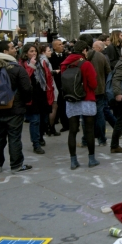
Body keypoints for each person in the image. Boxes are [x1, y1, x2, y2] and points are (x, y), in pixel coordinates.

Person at [0, 40, 33, 173]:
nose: (15, 49)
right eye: (12, 48)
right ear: (5, 52)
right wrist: (24, 102)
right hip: (15, 108)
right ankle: (16, 165)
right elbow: (27, 89)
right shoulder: (16, 68)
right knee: (14, 137)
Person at [60, 40, 99, 169]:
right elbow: (93, 84)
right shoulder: (86, 64)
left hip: (71, 99)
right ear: (84, 51)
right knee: (89, 130)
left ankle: (73, 160)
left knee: (72, 131)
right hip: (86, 98)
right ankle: (91, 159)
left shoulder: (64, 64)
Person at [79, 35, 112, 148]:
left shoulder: (80, 58)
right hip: (100, 89)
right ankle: (102, 139)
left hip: (85, 91)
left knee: (85, 117)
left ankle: (85, 140)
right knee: (100, 115)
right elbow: (108, 71)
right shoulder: (101, 56)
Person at [19, 43, 49, 154]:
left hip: (42, 93)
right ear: (26, 53)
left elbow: (46, 76)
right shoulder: (22, 64)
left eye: (35, 51)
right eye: (31, 51)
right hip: (31, 95)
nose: (34, 53)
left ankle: (40, 136)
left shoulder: (40, 62)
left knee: (44, 119)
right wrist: (31, 65)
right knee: (35, 120)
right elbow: (25, 78)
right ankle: (36, 143)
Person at [38, 44, 60, 136]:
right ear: (43, 52)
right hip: (50, 86)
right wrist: (55, 71)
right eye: (48, 51)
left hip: (48, 86)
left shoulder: (42, 60)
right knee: (53, 107)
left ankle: (49, 127)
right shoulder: (44, 60)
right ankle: (51, 128)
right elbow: (47, 73)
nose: (50, 52)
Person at [49, 39, 69, 132]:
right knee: (58, 103)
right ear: (54, 47)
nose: (62, 46)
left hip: (65, 82)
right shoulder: (51, 57)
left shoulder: (66, 56)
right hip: (55, 82)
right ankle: (54, 123)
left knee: (64, 103)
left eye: (62, 44)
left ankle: (66, 124)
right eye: (59, 45)